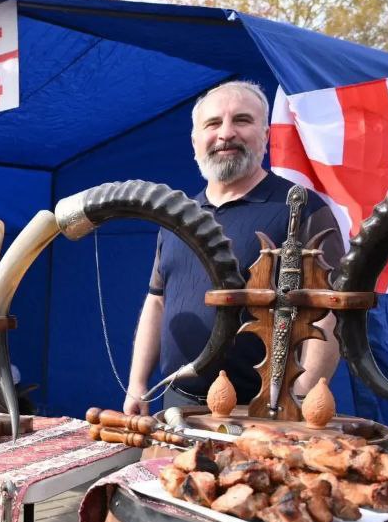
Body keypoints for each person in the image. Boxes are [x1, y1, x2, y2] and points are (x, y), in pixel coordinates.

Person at [123, 81, 344, 415]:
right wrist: (138, 385)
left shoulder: (301, 209)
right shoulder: (176, 216)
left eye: (242, 120)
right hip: (176, 405)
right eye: (213, 124)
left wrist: (298, 401)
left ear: (265, 134)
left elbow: (329, 311)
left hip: (262, 413)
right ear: (195, 140)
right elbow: (157, 300)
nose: (226, 133)